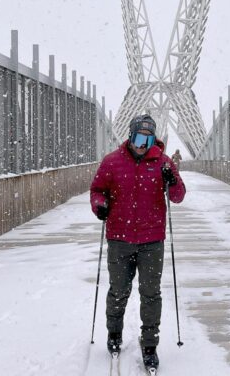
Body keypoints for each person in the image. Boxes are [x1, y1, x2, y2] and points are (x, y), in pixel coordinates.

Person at [90, 114, 185, 371]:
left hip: (152, 240)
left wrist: (173, 180)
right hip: (120, 238)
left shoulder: (163, 163)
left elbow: (178, 196)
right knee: (118, 290)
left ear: (154, 139)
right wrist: (100, 205)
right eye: (139, 137)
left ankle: (150, 344)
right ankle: (114, 333)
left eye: (148, 138)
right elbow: (97, 190)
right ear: (131, 135)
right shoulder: (112, 162)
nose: (143, 143)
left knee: (151, 293)